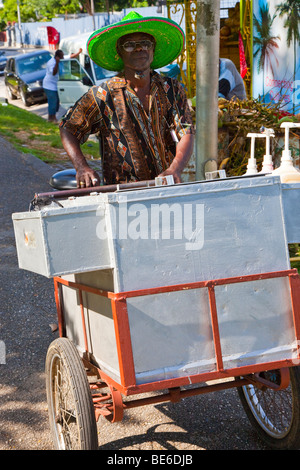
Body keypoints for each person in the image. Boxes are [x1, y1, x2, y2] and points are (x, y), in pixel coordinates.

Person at [59, 11, 195, 188]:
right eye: (130, 45)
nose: (139, 49)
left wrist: (174, 170)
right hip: (123, 194)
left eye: (145, 43)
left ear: (153, 49)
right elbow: (68, 127)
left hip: (166, 187)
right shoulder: (103, 94)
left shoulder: (171, 89)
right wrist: (81, 167)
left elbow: (185, 131)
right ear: (119, 52)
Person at [43, 48, 82, 122]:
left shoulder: (61, 58)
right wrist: (57, 63)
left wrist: (79, 52)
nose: (63, 58)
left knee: (56, 102)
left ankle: (51, 117)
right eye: (62, 56)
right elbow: (54, 73)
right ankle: (52, 118)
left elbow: (71, 56)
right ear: (57, 57)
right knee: (53, 102)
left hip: (55, 85)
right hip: (49, 86)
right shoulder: (51, 63)